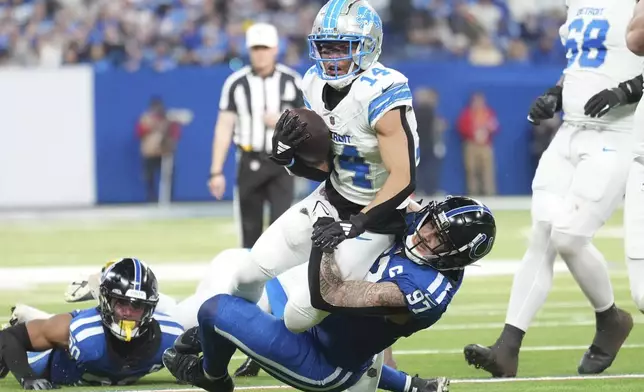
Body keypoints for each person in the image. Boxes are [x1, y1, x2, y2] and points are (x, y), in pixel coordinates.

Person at [464, 0, 644, 377]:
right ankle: (507, 348)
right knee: (543, 234)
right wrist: (556, 93)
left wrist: (631, 88)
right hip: (569, 133)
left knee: (568, 236)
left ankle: (611, 319)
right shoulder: (578, 4)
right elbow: (581, 64)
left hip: (617, 134)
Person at [221, 0, 419, 338]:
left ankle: (361, 343)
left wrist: (358, 223)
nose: (330, 56)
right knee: (247, 273)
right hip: (331, 199)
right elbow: (325, 169)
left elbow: (403, 178)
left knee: (299, 315)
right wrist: (288, 158)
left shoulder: (381, 91)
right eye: (325, 47)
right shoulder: (312, 82)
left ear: (367, 47)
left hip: (378, 217)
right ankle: (237, 340)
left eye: (341, 47)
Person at [162, 196, 496, 392]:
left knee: (215, 310)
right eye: (430, 224)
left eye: (440, 239)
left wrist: (326, 241)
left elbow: (331, 294)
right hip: (336, 331)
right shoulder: (419, 225)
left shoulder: (426, 290)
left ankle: (212, 376)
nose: (425, 236)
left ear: (457, 255)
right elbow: (389, 184)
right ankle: (409, 386)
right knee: (251, 273)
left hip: (324, 362)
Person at [0, 258, 184, 390]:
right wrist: (27, 376)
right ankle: (32, 320)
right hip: (42, 357)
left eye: (136, 306)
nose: (128, 313)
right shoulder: (80, 332)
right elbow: (10, 336)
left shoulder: (170, 337)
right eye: (121, 303)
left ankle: (33, 315)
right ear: (106, 302)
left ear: (149, 308)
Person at [207, 22, 305, 249]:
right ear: (249, 50)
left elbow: (308, 122)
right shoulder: (236, 84)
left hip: (282, 162)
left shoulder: (291, 82)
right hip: (249, 160)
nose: (260, 54)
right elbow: (224, 126)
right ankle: (250, 284)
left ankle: (278, 284)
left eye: (265, 48)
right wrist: (216, 170)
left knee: (280, 231)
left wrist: (283, 120)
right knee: (249, 232)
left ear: (274, 49)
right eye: (256, 48)